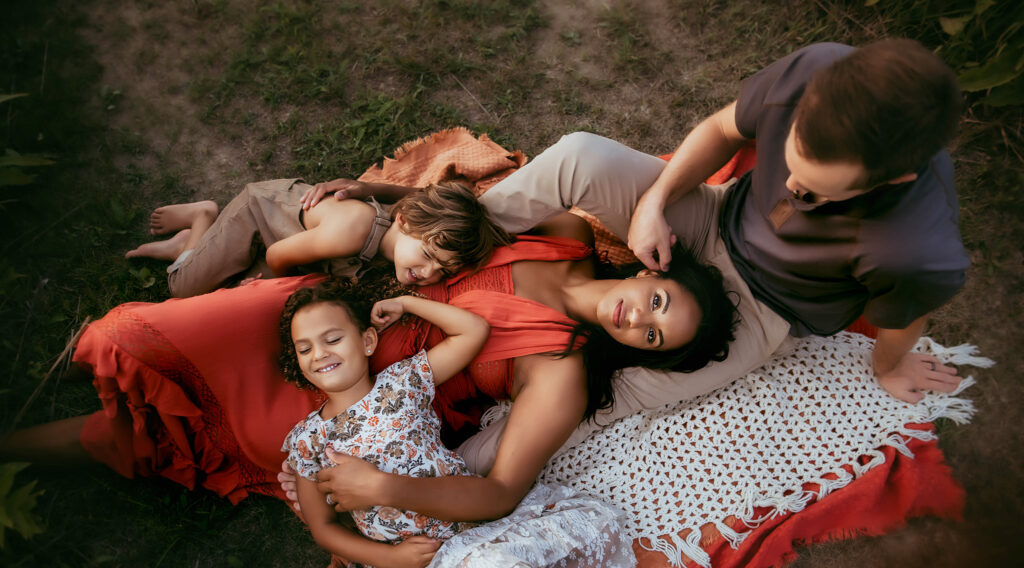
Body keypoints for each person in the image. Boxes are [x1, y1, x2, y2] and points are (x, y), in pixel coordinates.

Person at [305, 39, 968, 464]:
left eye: (817, 193)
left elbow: (902, 318)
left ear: (892, 181)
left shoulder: (916, 249)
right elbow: (719, 129)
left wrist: (889, 366)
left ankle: (445, 462)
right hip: (710, 215)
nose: (790, 190)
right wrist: (654, 201)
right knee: (579, 157)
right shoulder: (819, 72)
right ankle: (437, 239)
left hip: (763, 309)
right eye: (790, 163)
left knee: (618, 391)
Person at [2, 213, 737, 516]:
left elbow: (504, 491)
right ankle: (47, 368)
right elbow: (452, 217)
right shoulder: (566, 231)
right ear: (650, 272)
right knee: (147, 332)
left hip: (358, 396)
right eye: (660, 303)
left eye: (652, 339)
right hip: (336, 312)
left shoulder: (561, 372)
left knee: (133, 433)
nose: (639, 320)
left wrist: (386, 484)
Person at [279, 280, 634, 568]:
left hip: (468, 528)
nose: (320, 353)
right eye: (305, 348)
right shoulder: (307, 441)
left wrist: (406, 302)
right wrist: (391, 559)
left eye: (332, 339)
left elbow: (473, 331)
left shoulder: (402, 383)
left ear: (367, 341)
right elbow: (322, 529)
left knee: (594, 530)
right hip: (410, 567)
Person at [125, 180, 512, 294]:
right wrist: (264, 286)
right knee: (183, 290)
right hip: (260, 219)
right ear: (407, 222)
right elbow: (278, 257)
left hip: (291, 239)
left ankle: (196, 246)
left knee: (231, 287)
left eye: (443, 271)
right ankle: (201, 219)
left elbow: (418, 197)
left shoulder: (400, 238)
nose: (428, 273)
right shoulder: (353, 232)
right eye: (429, 255)